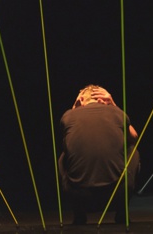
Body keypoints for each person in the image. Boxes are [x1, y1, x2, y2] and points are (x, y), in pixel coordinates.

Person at [58, 85, 140, 224]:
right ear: (104, 100)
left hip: (79, 195)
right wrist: (114, 105)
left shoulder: (68, 116)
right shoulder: (116, 113)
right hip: (116, 194)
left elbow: (69, 142)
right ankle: (122, 213)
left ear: (82, 99)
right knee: (133, 150)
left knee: (63, 157)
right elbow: (134, 137)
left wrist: (73, 108)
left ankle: (79, 215)